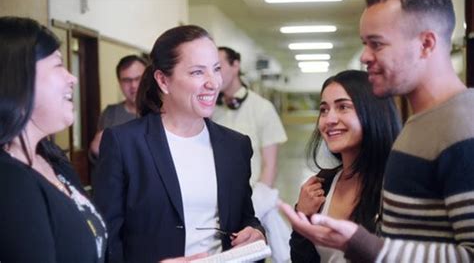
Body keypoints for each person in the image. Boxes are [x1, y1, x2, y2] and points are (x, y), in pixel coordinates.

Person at [280, 0, 474, 262]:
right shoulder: (417, 129)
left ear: (426, 44)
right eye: (364, 44)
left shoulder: (465, 127)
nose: (364, 56)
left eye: (377, 44)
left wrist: (363, 245)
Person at [92, 25, 266, 263]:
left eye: (216, 69)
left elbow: (245, 216)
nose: (213, 83)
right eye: (197, 72)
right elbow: (106, 240)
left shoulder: (235, 146)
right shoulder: (125, 144)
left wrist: (255, 231)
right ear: (163, 81)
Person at [0, 16, 107, 262]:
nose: (73, 78)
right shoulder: (8, 180)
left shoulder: (52, 158)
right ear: (18, 77)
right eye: (59, 65)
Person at [289, 70, 401, 262]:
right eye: (324, 109)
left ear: (372, 112)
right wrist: (303, 217)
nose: (329, 119)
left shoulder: (396, 187)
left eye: (343, 107)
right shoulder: (321, 186)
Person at [212, 46, 289, 262]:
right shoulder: (210, 109)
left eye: (219, 67)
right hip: (215, 208)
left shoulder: (262, 108)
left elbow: (270, 165)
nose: (214, 75)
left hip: (250, 204)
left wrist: (254, 207)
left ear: (236, 65)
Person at [89, 55, 147, 158]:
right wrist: (94, 150)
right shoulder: (110, 113)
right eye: (127, 80)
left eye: (138, 79)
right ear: (119, 83)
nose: (133, 85)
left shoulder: (161, 112)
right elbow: (98, 154)